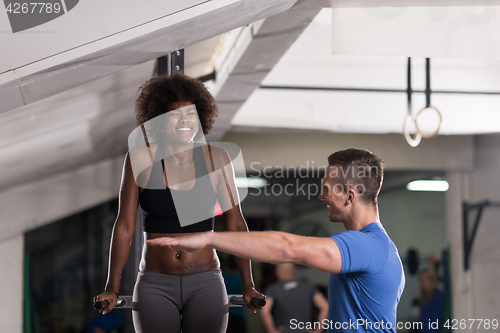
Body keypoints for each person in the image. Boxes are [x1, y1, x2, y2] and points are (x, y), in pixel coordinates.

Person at [148, 148, 406, 333]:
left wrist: (208, 237)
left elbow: (287, 248)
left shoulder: (369, 247)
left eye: (326, 189)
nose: (320, 196)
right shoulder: (379, 247)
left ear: (349, 197)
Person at [93, 72, 264, 333]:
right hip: (155, 282)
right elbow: (125, 226)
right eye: (175, 114)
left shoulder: (216, 159)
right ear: (160, 120)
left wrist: (248, 285)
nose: (185, 121)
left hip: (205, 280)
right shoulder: (140, 159)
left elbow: (236, 225)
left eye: (191, 114)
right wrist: (112, 287)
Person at [261, 263, 329, 333]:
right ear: (294, 271)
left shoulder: (272, 289)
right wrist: (318, 331)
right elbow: (325, 306)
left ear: (276, 272)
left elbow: (265, 311)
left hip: (285, 331)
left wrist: (272, 331)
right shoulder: (307, 287)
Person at [417, 268, 444, 332]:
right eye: (421, 280)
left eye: (424, 280)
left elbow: (441, 316)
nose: (422, 283)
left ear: (431, 281)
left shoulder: (436, 296)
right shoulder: (424, 297)